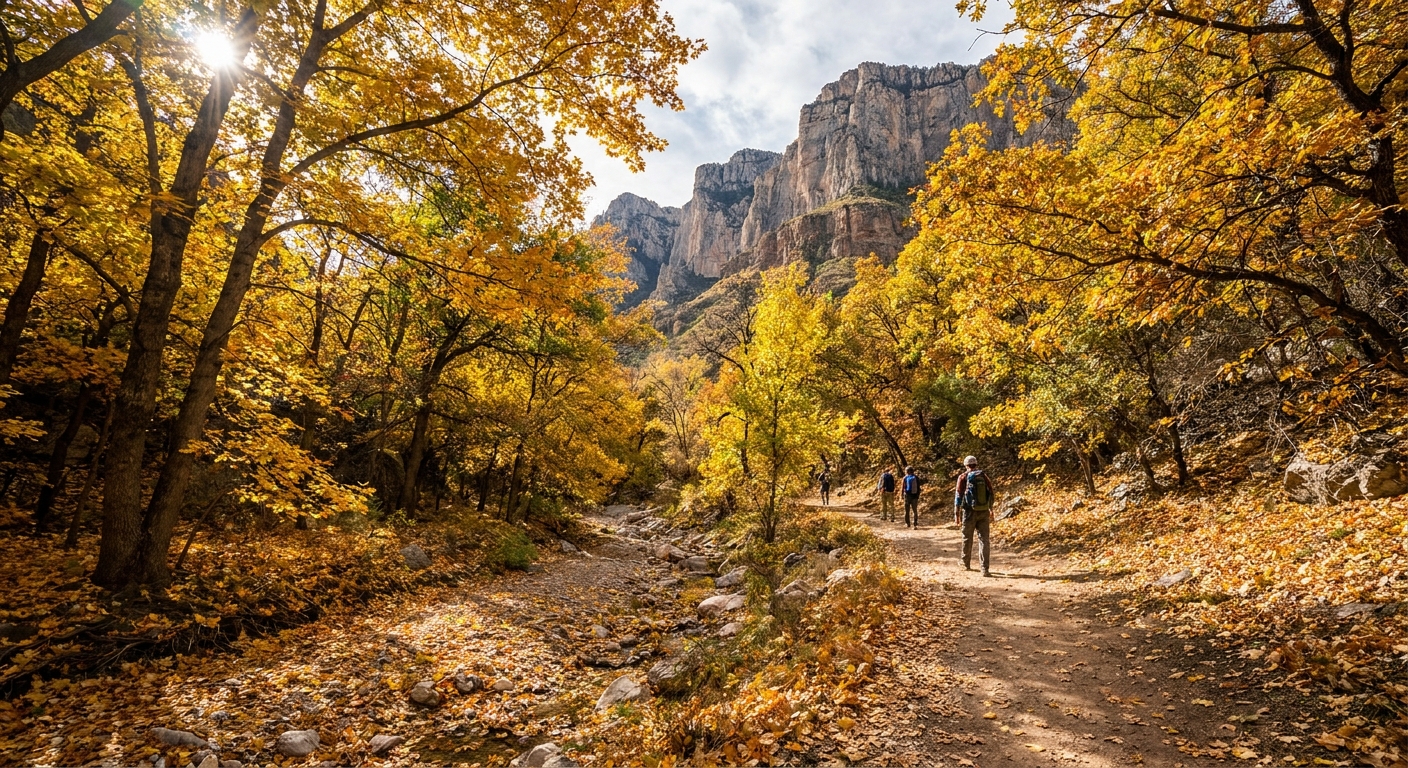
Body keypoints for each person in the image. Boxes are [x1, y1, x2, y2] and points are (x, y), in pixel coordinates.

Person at [953, 455, 996, 576]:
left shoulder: (963, 477)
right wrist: (991, 509)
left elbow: (958, 496)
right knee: (984, 540)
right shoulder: (983, 476)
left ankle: (965, 563)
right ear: (976, 464)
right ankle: (985, 569)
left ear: (966, 465)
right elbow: (991, 493)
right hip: (983, 511)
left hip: (969, 512)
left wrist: (957, 514)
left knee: (967, 538)